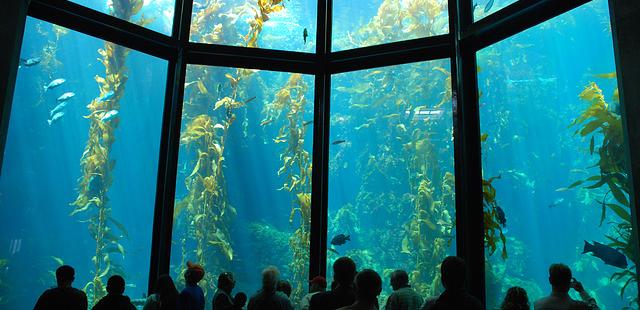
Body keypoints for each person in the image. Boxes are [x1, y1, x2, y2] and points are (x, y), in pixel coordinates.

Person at [534, 264, 599, 310]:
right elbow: (595, 308)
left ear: (550, 280)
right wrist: (582, 291)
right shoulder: (579, 306)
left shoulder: (538, 305)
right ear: (570, 282)